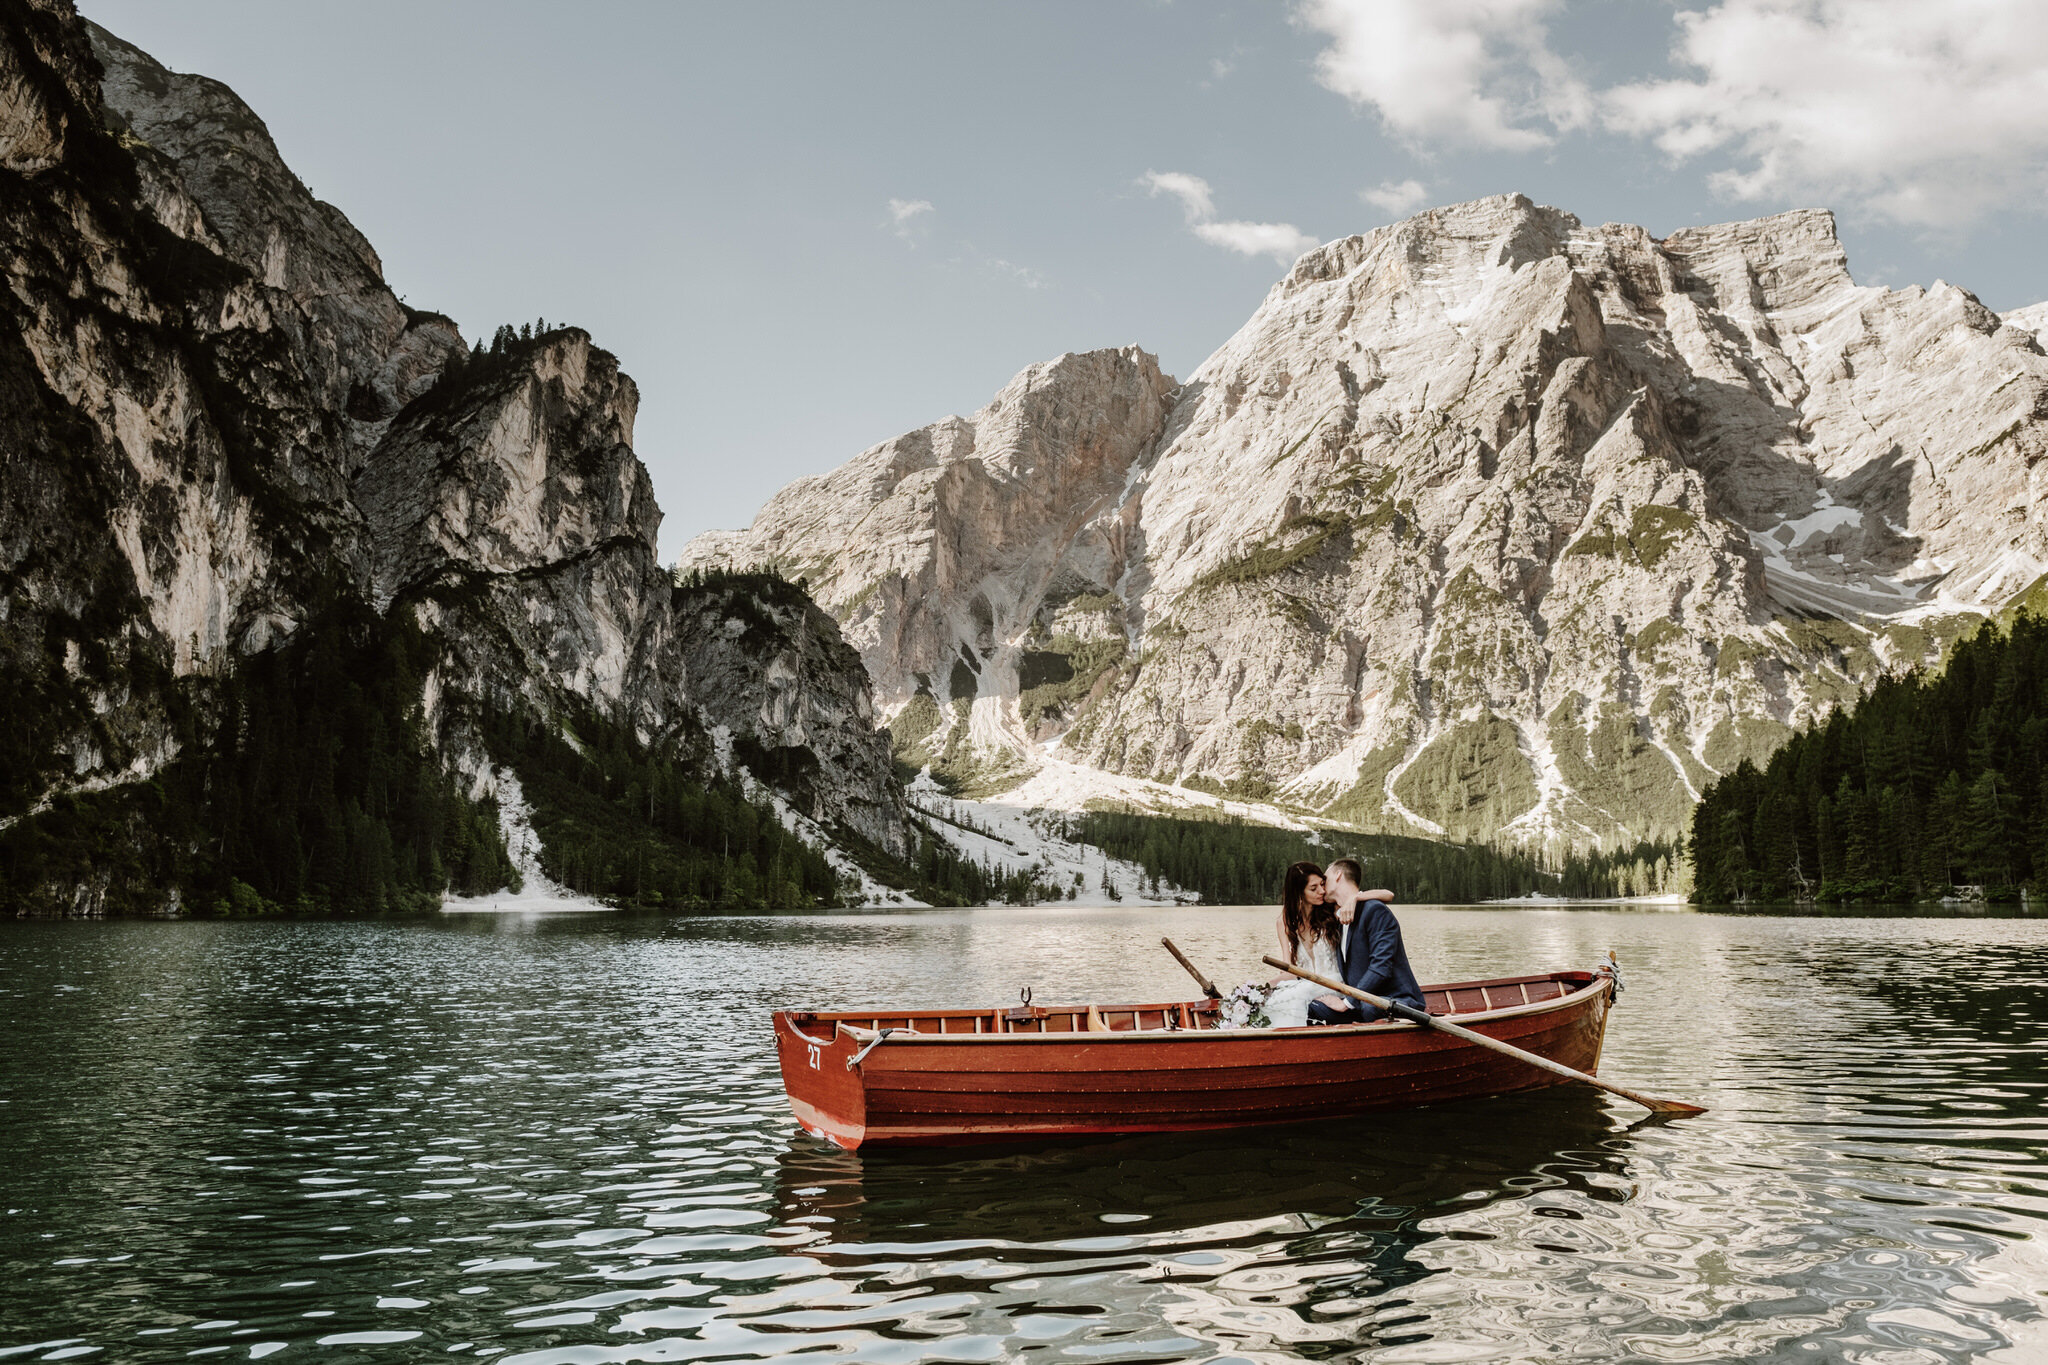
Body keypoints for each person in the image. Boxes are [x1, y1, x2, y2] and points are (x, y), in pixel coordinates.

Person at [1307, 859, 1425, 1024]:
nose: (1322, 886)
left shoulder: (1375, 911)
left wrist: (1346, 1003)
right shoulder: (1340, 918)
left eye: (1325, 880)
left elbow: (1381, 967)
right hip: (1361, 1003)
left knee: (1371, 1008)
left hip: (1396, 1001)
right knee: (1312, 1008)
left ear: (1338, 875)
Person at [1262, 862, 1347, 1029]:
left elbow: (1387, 895)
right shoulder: (1285, 923)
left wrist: (1355, 900)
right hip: (1305, 984)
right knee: (1270, 999)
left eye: (1322, 884)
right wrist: (1264, 987)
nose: (1322, 891)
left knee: (1298, 995)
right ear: (1299, 892)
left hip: (1334, 983)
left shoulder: (1333, 912)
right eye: (1313, 888)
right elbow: (1289, 971)